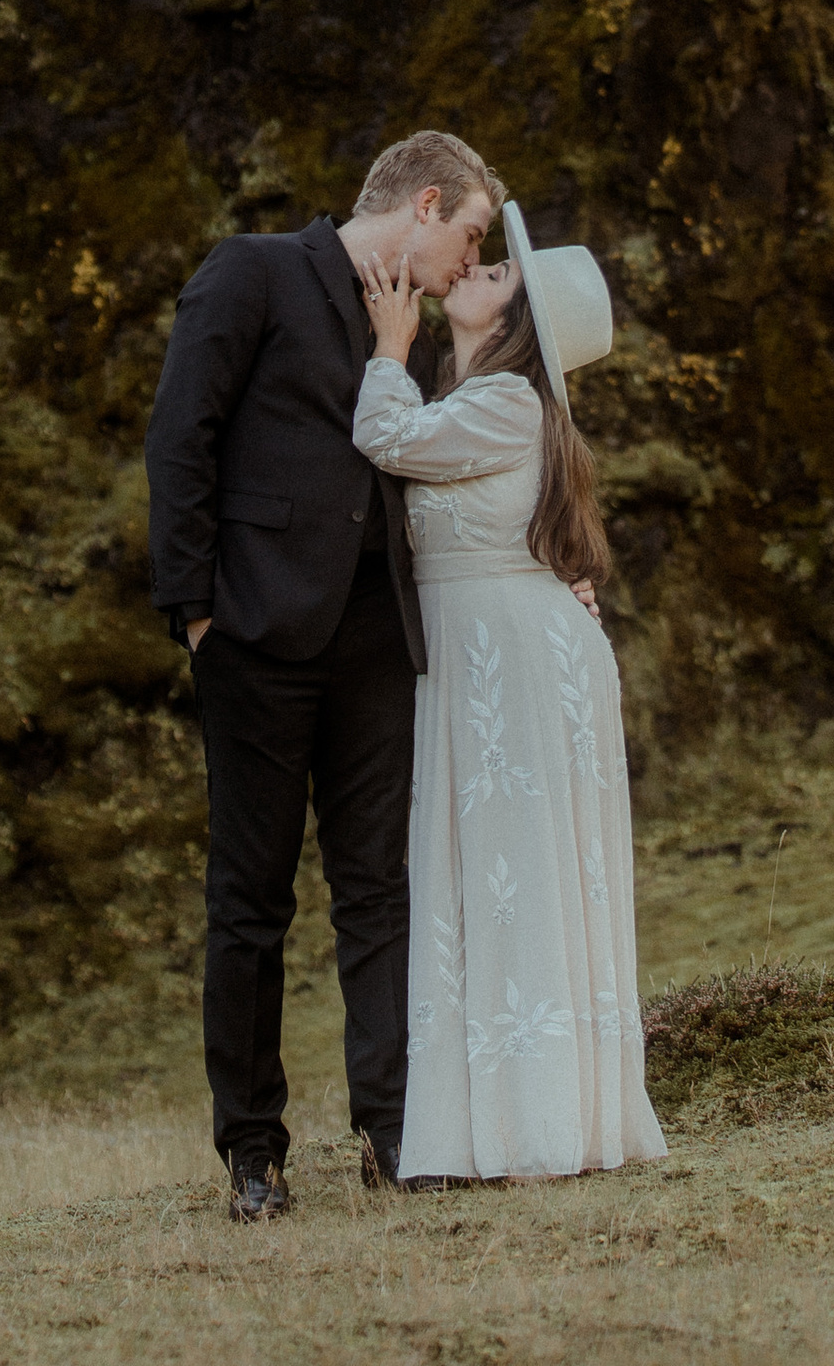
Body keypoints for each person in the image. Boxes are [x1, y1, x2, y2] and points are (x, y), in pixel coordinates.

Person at [144, 130, 502, 1221]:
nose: (467, 264)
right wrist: (195, 613)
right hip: (251, 636)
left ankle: (394, 1134)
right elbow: (180, 436)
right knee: (250, 902)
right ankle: (252, 1154)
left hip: (376, 643)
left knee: (380, 893)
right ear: (426, 205)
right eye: (472, 235)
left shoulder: (418, 334)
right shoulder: (253, 271)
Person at [352, 196, 665, 1183]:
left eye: (496, 275)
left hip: (507, 663)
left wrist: (387, 348)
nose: (474, 274)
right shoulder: (484, 402)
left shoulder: (505, 403)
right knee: (485, 877)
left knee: (511, 876)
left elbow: (385, 441)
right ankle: (493, 1120)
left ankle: (534, 1120)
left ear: (519, 322)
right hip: (489, 653)